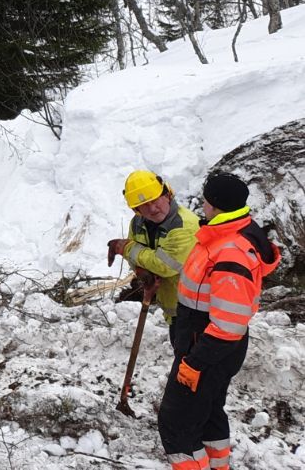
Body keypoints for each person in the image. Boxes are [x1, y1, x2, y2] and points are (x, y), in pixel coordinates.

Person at [157, 172, 279, 470]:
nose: (202, 204)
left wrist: (195, 362)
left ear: (216, 205)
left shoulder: (232, 252)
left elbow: (229, 324)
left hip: (208, 347)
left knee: (176, 423)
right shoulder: (223, 234)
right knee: (209, 412)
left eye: (206, 200)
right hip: (206, 343)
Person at [108, 170, 200, 323]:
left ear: (167, 195)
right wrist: (141, 271)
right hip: (174, 308)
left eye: (155, 200)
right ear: (136, 210)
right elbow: (136, 258)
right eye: (143, 205)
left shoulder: (184, 226)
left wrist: (125, 248)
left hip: (196, 311)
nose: (152, 209)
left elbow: (165, 265)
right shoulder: (137, 224)